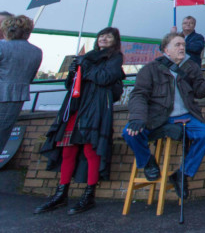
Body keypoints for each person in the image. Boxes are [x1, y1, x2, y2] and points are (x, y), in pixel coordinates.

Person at [35, 27, 125, 215]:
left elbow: (104, 78)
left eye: (109, 36)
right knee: (68, 150)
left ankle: (89, 194)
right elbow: (70, 85)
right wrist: (72, 71)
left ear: (115, 41)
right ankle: (61, 193)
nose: (104, 38)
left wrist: (86, 66)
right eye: (101, 35)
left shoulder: (115, 59)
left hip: (94, 108)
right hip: (76, 106)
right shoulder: (88, 56)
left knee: (90, 151)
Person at [123, 32, 205, 199]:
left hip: (185, 117)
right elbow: (139, 94)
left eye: (183, 44)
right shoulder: (150, 69)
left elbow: (200, 92)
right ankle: (147, 162)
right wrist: (137, 118)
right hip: (157, 117)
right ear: (166, 50)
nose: (182, 47)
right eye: (177, 45)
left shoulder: (191, 67)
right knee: (128, 133)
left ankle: (182, 173)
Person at [0, 15, 42, 153]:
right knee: (2, 135)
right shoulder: (36, 51)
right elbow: (30, 77)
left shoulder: (2, 46)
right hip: (17, 97)